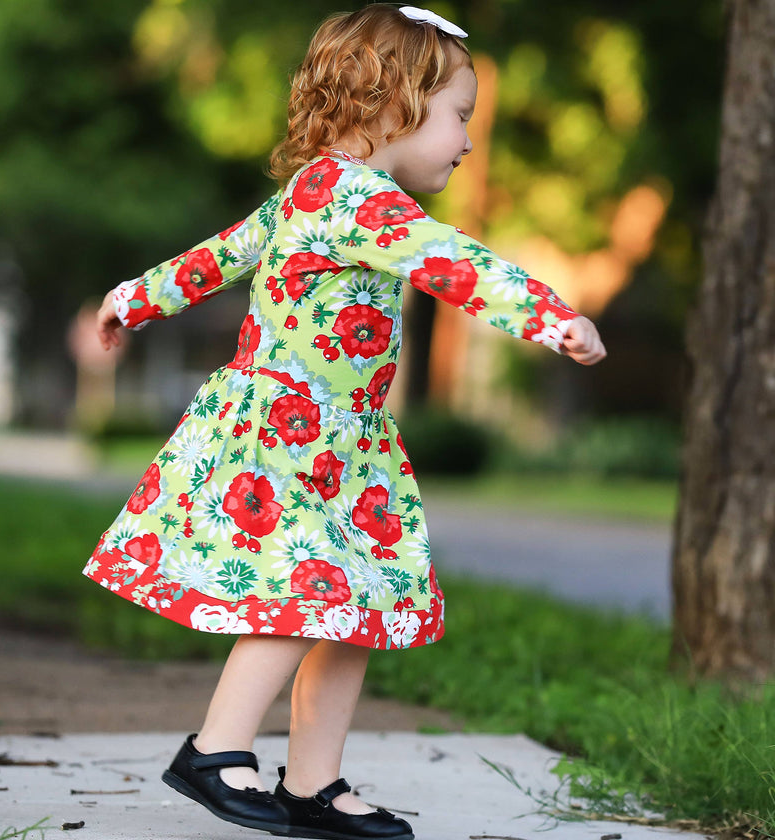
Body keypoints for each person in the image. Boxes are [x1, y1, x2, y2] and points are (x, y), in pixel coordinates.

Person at [84, 5, 606, 839]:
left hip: (343, 442)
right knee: (304, 593)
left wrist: (131, 301)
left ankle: (312, 782)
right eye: (459, 118)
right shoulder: (354, 200)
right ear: (394, 101)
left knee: (349, 604)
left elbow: (219, 255)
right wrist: (552, 317)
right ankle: (216, 749)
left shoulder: (319, 190)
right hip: (293, 437)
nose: (468, 141)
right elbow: (453, 262)